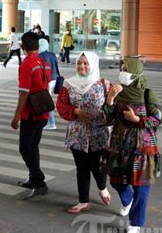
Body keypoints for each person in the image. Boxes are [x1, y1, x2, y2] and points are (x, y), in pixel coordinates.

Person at [104, 57, 162, 233]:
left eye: (126, 69)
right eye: (121, 68)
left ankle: (135, 225)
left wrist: (138, 120)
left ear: (135, 72)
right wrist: (110, 99)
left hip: (142, 148)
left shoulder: (147, 94)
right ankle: (126, 199)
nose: (122, 72)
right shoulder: (117, 91)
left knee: (141, 188)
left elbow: (157, 119)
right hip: (119, 146)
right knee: (116, 181)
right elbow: (107, 119)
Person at [56, 51, 112, 213]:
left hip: (99, 133)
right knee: (81, 167)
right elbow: (61, 105)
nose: (82, 66)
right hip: (77, 133)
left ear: (93, 65)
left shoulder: (103, 84)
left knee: (97, 166)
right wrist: (76, 111)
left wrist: (112, 100)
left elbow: (113, 107)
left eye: (86, 63)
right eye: (79, 63)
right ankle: (83, 201)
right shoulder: (68, 84)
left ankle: (102, 188)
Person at [11, 32, 51, 200]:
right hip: (43, 111)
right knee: (33, 147)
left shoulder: (27, 64)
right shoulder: (44, 62)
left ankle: (40, 182)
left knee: (25, 148)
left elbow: (24, 93)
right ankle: (33, 178)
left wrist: (16, 116)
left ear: (23, 47)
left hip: (30, 114)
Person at [38, 38, 58, 130]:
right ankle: (47, 121)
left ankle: (51, 123)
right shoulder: (52, 54)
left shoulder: (40, 56)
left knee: (47, 102)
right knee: (47, 100)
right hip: (54, 79)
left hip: (47, 81)